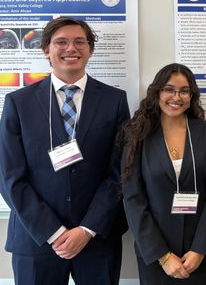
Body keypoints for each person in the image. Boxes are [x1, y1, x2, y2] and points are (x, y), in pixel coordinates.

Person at [0, 17, 130, 285]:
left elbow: (119, 172)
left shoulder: (114, 100)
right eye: (61, 42)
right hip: (36, 239)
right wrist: (54, 231)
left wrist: (87, 229)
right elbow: (9, 176)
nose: (71, 48)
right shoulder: (19, 103)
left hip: (96, 238)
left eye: (80, 41)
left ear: (90, 49)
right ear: (46, 50)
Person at [120, 63, 206, 284]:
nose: (176, 97)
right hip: (155, 252)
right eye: (169, 89)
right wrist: (163, 256)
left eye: (184, 91)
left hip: (197, 252)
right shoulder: (138, 134)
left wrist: (200, 249)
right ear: (157, 92)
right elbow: (133, 198)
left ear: (191, 95)